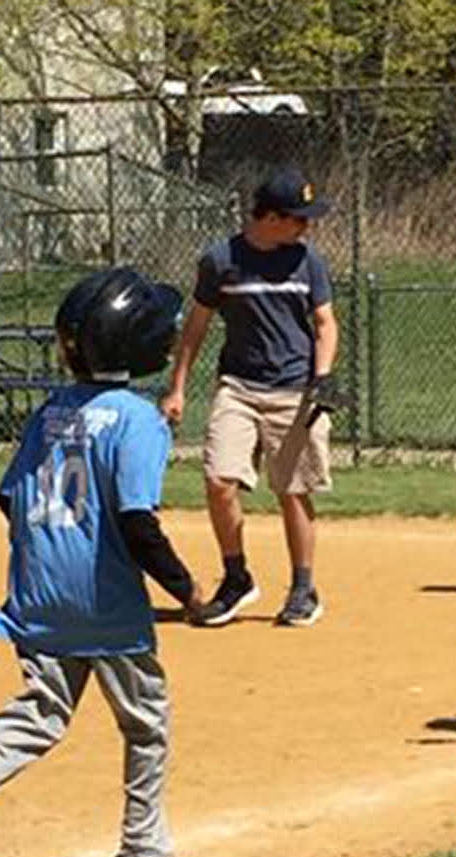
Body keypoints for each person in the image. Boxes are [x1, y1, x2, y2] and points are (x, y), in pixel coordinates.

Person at [0, 268, 204, 857]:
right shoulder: (137, 419)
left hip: (39, 591)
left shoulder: (49, 413)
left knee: (43, 711)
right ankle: (143, 855)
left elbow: (9, 497)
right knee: (145, 724)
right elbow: (135, 522)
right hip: (105, 603)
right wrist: (187, 590)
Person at [160, 165, 338, 628]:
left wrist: (322, 376)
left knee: (293, 491)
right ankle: (236, 577)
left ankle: (303, 588)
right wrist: (177, 387)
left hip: (295, 389)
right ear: (272, 217)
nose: (307, 226)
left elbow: (325, 324)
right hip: (238, 386)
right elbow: (196, 327)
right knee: (219, 481)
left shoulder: (307, 262)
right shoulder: (221, 261)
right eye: (300, 218)